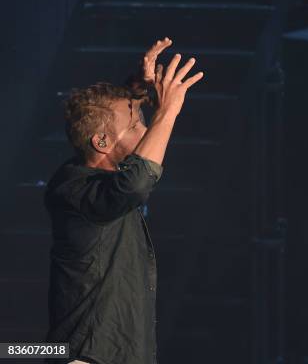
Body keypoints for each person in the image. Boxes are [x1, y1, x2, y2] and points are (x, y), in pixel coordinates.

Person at [44, 37, 204, 364]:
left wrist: (138, 88)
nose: (147, 133)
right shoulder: (73, 190)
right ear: (101, 142)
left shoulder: (92, 177)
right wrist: (168, 110)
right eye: (137, 126)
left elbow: (112, 123)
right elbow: (136, 183)